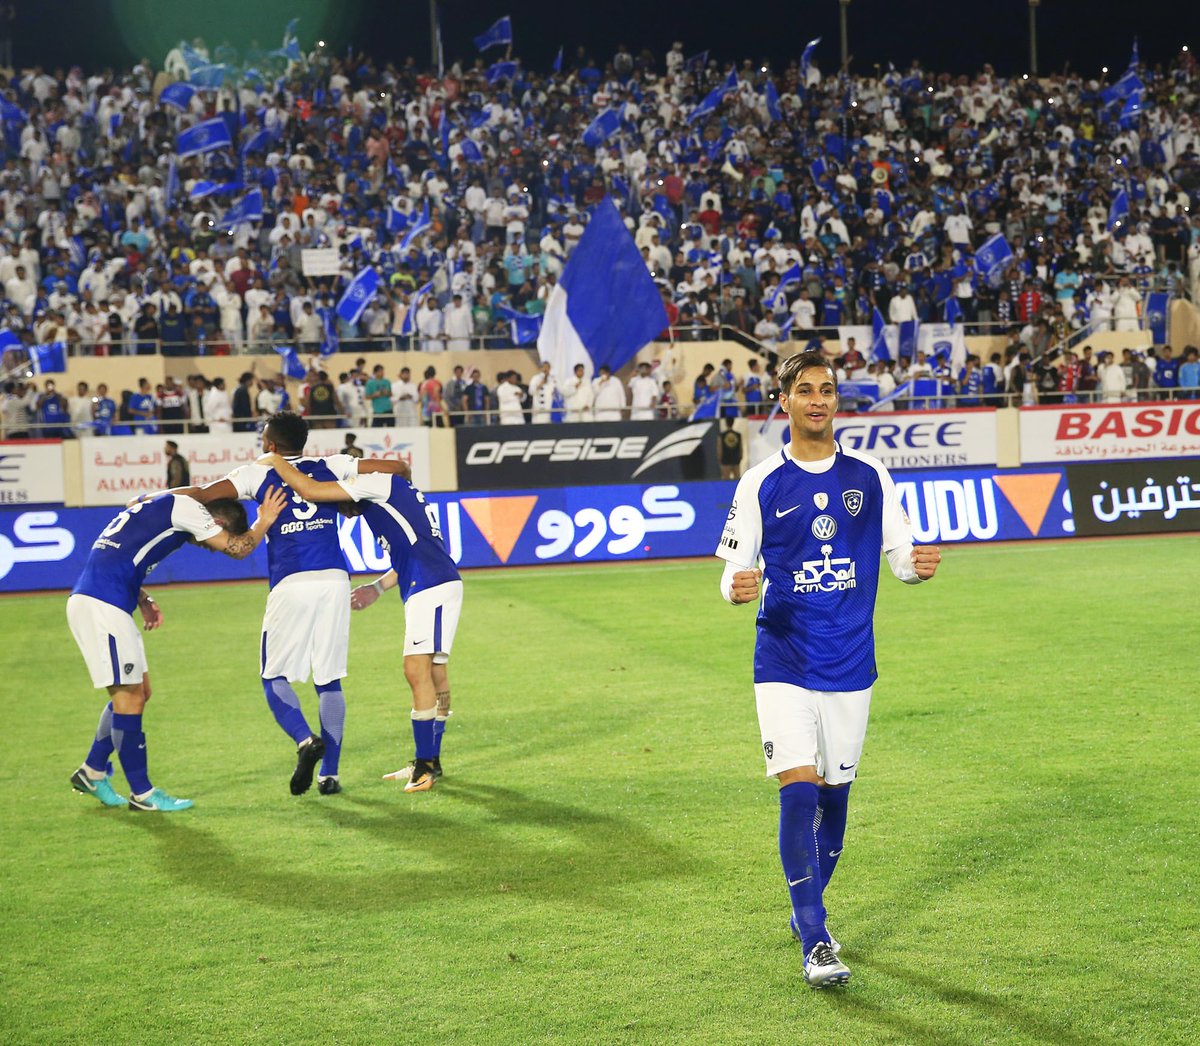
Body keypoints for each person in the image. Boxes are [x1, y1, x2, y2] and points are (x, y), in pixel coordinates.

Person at [715, 351, 940, 989]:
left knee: (836, 798)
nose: (819, 400)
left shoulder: (869, 476)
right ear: (783, 400)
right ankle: (815, 936)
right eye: (805, 390)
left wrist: (915, 568)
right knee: (800, 788)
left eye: (828, 390)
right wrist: (736, 588)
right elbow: (730, 573)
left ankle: (804, 905)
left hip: (850, 662)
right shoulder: (759, 483)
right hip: (782, 658)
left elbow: (899, 555)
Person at [182, 412, 403, 796]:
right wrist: (354, 498)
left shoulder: (257, 472)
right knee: (329, 679)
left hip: (291, 580)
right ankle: (329, 774)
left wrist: (150, 500)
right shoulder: (330, 465)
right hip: (335, 578)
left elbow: (202, 495)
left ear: (270, 444)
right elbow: (396, 468)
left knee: (273, 676)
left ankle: (305, 740)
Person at [68, 487, 286, 811]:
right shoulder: (189, 510)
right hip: (103, 607)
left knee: (139, 692)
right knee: (128, 698)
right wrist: (264, 520)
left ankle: (92, 770)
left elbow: (121, 546)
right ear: (217, 521)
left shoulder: (161, 505)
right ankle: (142, 794)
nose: (210, 547)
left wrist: (142, 598)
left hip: (107, 600)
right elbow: (239, 548)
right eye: (214, 535)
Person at [258, 452, 462, 793]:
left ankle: (426, 766)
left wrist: (275, 460)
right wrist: (378, 588)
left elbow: (310, 490)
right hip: (431, 581)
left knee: (416, 671)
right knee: (435, 674)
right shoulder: (394, 498)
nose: (344, 511)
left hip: (431, 584)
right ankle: (430, 761)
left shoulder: (375, 485)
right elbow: (416, 550)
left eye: (343, 504)